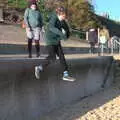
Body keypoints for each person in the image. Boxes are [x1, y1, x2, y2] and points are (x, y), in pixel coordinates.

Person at [35, 6, 75, 82]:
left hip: (57, 40)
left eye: (65, 17)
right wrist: (62, 34)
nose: (64, 18)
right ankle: (39, 68)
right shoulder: (53, 18)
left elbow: (67, 29)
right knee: (52, 57)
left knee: (61, 56)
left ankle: (65, 75)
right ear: (59, 14)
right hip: (49, 40)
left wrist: (67, 36)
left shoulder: (62, 21)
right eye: (63, 16)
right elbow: (51, 27)